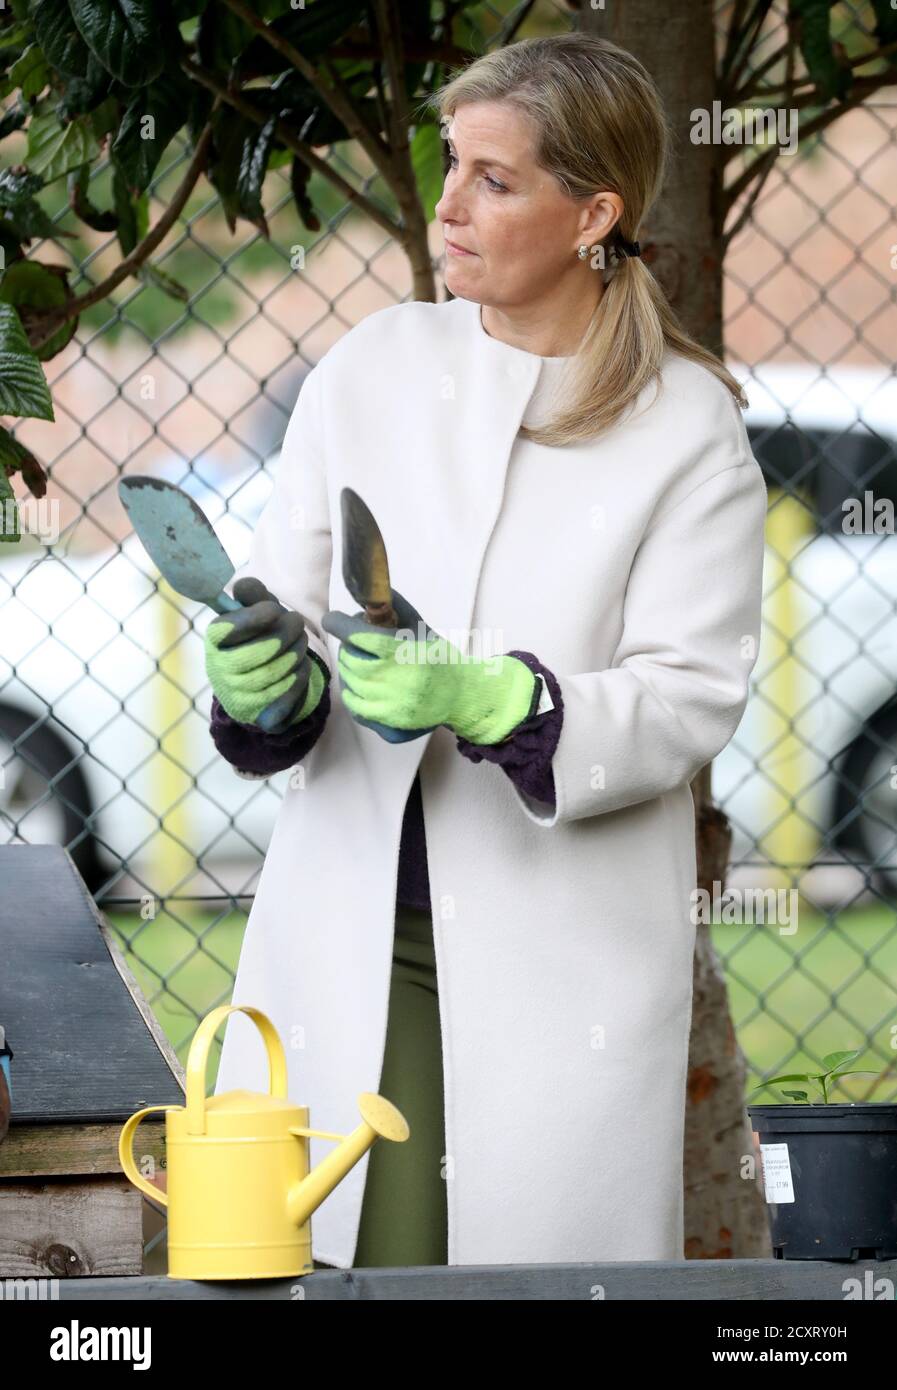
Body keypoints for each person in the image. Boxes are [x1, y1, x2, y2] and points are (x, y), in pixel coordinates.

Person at [205, 33, 767, 1270]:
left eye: (494, 179)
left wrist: (500, 695)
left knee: (538, 1283)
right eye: (451, 164)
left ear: (593, 214)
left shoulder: (689, 427)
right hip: (356, 918)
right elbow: (292, 610)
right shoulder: (370, 371)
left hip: (559, 948)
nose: (449, 203)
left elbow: (692, 696)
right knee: (347, 1261)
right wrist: (265, 684)